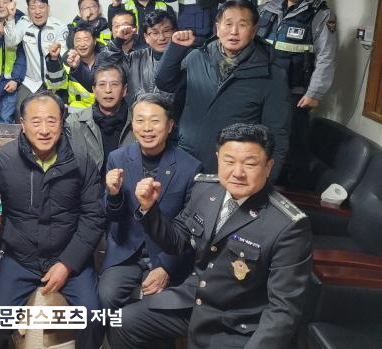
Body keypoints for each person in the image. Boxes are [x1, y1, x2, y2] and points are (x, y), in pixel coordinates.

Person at [109, 123, 312, 349]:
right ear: (218, 159)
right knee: (121, 322)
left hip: (240, 323)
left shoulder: (288, 225)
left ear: (268, 166)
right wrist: (149, 208)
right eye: (229, 161)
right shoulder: (206, 189)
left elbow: (283, 311)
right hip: (195, 301)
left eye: (250, 164)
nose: (238, 172)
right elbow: (177, 241)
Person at [0, 91, 106, 349]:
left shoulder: (82, 160)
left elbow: (93, 217)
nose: (44, 130)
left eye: (51, 121)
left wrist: (67, 264)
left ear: (62, 121)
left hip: (69, 257)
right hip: (21, 258)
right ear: (22, 123)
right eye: (36, 121)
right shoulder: (5, 158)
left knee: (93, 319)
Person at [155, 0, 291, 177]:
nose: (234, 31)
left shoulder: (271, 74)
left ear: (254, 30)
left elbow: (277, 135)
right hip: (186, 161)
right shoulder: (197, 57)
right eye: (228, 24)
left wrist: (266, 180)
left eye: (242, 25)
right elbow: (165, 82)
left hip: (235, 171)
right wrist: (176, 49)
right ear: (217, 28)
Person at [99, 93, 200, 312]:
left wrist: (167, 268)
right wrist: (113, 195)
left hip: (166, 255)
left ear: (170, 125)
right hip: (125, 252)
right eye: (140, 120)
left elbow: (189, 230)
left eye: (155, 121)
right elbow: (111, 216)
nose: (147, 128)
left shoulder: (190, 167)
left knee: (154, 309)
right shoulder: (117, 158)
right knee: (106, 297)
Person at [257, 0, 337, 186]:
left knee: (294, 142)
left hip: (296, 91)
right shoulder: (269, 9)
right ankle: (266, 183)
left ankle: (297, 190)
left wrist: (315, 92)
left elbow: (326, 56)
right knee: (263, 138)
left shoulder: (321, 14)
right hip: (265, 87)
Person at [3, 0, 69, 115]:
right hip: (31, 82)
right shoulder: (24, 23)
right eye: (33, 8)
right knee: (20, 111)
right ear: (28, 10)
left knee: (55, 114)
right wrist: (10, 18)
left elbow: (64, 55)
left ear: (48, 8)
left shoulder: (59, 27)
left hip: (54, 83)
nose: (37, 12)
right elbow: (11, 42)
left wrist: (55, 54)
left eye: (41, 7)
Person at [64, 64, 134, 179]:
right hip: (89, 188)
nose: (108, 90)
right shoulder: (74, 123)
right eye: (102, 84)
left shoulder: (138, 123)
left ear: (124, 90)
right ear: (94, 90)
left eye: (114, 84)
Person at [100, 9, 179, 106]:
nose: (161, 37)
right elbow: (104, 68)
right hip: (137, 114)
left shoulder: (187, 59)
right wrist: (117, 42)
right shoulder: (134, 58)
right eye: (155, 33)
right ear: (146, 37)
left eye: (166, 31)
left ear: (175, 31)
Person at [46, 22, 103, 111]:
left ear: (95, 41)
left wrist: (78, 67)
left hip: (102, 110)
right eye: (78, 40)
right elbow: (56, 85)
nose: (82, 44)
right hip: (75, 112)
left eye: (86, 39)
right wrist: (54, 59)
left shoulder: (105, 60)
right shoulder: (68, 61)